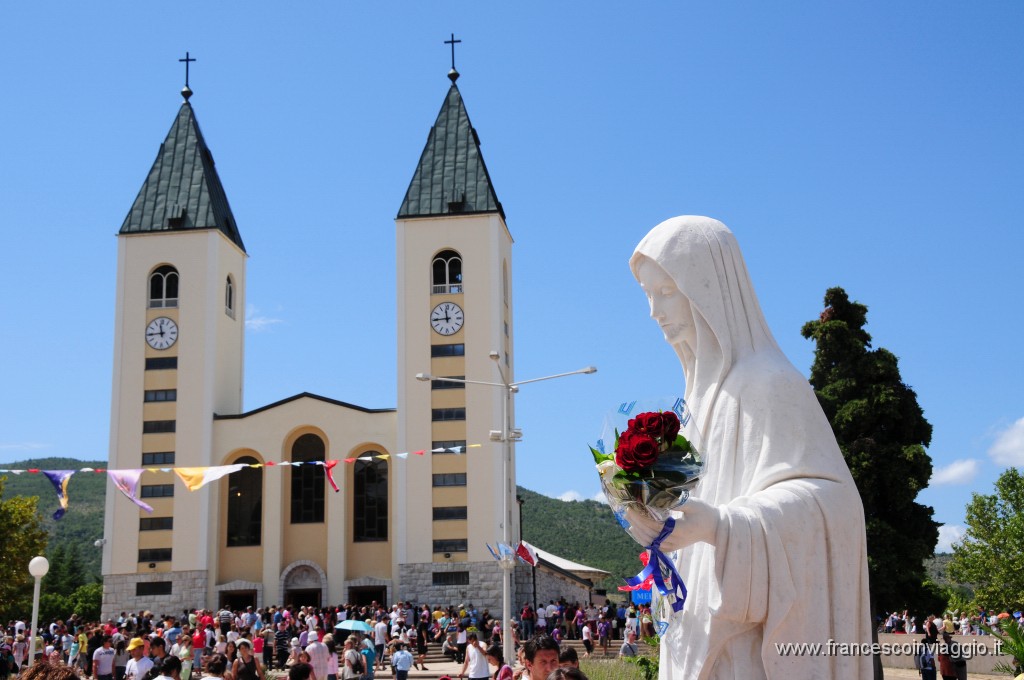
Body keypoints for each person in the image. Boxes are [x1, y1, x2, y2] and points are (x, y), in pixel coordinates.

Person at [626, 215, 872, 679]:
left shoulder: (770, 384)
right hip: (693, 627)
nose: (654, 312)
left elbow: (835, 506)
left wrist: (721, 526)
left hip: (747, 644)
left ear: (708, 289)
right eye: (647, 296)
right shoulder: (694, 405)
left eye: (665, 292)